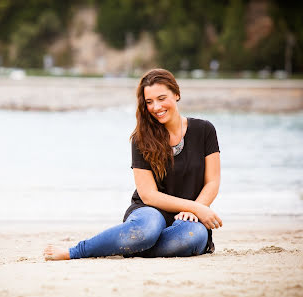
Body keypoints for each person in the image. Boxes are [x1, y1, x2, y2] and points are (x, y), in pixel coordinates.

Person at [43, 68, 222, 260]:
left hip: (189, 217)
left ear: (176, 94)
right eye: (149, 102)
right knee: (146, 230)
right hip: (150, 212)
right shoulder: (141, 139)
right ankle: (76, 251)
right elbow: (149, 195)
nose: (156, 107)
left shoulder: (204, 130)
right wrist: (196, 208)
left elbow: (212, 181)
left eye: (162, 98)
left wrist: (196, 208)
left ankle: (131, 245)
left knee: (193, 236)